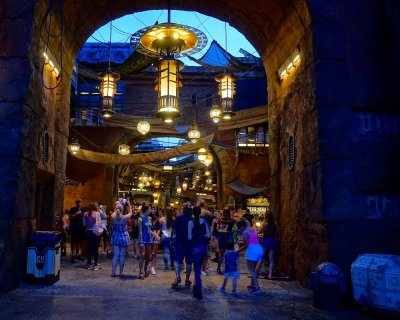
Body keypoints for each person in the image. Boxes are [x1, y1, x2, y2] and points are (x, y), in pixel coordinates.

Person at [236, 218, 264, 293]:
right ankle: (252, 285)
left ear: (241, 226)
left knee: (251, 271)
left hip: (252, 251)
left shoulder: (244, 233)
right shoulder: (251, 228)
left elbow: (246, 246)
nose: (238, 230)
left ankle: (257, 288)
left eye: (239, 228)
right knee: (254, 270)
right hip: (259, 249)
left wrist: (237, 251)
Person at [188, 206, 210, 300]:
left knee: (196, 270)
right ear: (200, 212)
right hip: (203, 248)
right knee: (199, 269)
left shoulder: (190, 223)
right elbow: (208, 235)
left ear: (193, 212)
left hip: (195, 248)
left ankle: (198, 291)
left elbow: (189, 238)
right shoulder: (204, 222)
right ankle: (197, 285)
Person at [171, 203, 193, 288]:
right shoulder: (193, 218)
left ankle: (178, 277)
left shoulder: (178, 217)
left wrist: (172, 238)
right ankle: (187, 279)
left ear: (183, 209)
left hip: (180, 243)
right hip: (190, 244)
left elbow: (173, 229)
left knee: (176, 260)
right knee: (189, 262)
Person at [110, 200, 132, 277]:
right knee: (122, 255)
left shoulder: (112, 216)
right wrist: (129, 204)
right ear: (122, 210)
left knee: (116, 255)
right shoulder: (124, 217)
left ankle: (113, 272)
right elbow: (130, 213)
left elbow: (114, 212)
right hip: (123, 236)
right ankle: (121, 272)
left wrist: (118, 204)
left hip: (115, 236)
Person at [216, 208, 237, 273]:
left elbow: (217, 228)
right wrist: (235, 238)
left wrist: (220, 231)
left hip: (222, 237)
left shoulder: (219, 219)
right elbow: (234, 230)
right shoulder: (233, 220)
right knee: (229, 253)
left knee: (221, 254)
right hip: (229, 238)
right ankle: (228, 268)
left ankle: (218, 268)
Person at [260, 212, 279, 279]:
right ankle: (270, 275)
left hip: (265, 241)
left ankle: (256, 272)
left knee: (261, 257)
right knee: (271, 258)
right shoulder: (275, 223)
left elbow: (259, 231)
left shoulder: (264, 223)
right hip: (272, 241)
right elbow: (278, 232)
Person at [83, 203, 102, 270]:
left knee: (89, 248)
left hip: (89, 232)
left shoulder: (85, 214)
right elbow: (100, 223)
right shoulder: (97, 213)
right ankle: (96, 265)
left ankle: (89, 264)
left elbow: (84, 223)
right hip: (95, 232)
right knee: (95, 249)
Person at [137, 203, 152, 279]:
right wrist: (141, 241)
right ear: (147, 209)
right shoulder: (140, 218)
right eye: (150, 209)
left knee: (148, 255)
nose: (151, 210)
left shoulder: (150, 218)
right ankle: (141, 272)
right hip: (142, 237)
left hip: (149, 238)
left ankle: (146, 269)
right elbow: (140, 231)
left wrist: (156, 236)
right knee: (142, 256)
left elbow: (150, 229)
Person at [69, 199, 85, 263]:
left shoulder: (83, 210)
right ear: (76, 203)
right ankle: (72, 254)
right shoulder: (72, 209)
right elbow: (70, 217)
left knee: (79, 241)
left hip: (80, 227)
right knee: (73, 241)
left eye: (80, 202)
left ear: (81, 203)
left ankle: (77, 254)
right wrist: (76, 214)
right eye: (77, 202)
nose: (79, 203)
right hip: (74, 227)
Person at [149, 206, 161, 275]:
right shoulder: (148, 218)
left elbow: (159, 228)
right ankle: (149, 266)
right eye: (152, 209)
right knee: (149, 253)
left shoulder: (158, 218)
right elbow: (148, 228)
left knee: (154, 253)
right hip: (150, 235)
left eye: (155, 209)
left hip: (156, 235)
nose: (153, 210)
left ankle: (153, 267)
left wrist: (156, 235)